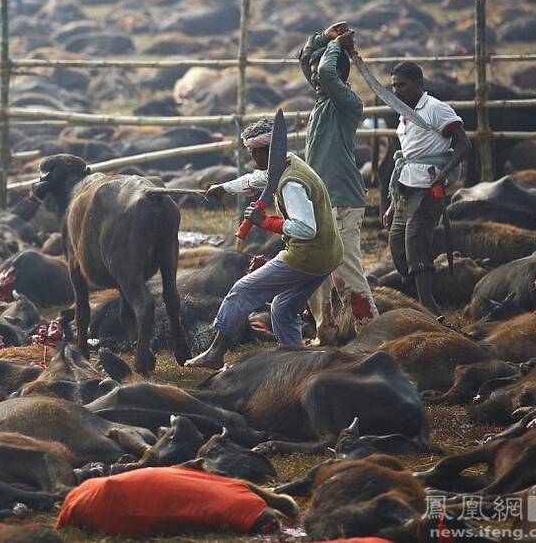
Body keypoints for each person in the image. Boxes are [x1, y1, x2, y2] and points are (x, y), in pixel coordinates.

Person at [187, 116, 344, 369]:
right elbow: (255, 179)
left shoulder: (291, 182)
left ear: (264, 152)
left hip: (307, 255)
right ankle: (296, 362)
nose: (252, 159)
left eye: (253, 153)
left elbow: (306, 229)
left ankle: (215, 352)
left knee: (242, 290)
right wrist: (223, 187)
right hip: (328, 255)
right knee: (282, 307)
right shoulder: (289, 163)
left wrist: (265, 222)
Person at [298, 22, 378, 342]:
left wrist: (334, 48)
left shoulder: (347, 103)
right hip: (322, 199)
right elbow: (306, 60)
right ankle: (326, 331)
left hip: (343, 198)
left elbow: (328, 73)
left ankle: (371, 333)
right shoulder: (323, 101)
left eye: (321, 70)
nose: (315, 75)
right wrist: (325, 38)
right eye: (314, 71)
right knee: (317, 267)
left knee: (346, 269)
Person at [383, 62, 471, 316]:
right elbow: (405, 159)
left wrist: (443, 173)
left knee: (416, 243)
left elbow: (464, 144)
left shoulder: (435, 109)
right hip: (405, 188)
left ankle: (428, 306)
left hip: (427, 186)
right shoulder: (403, 114)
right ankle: (423, 296)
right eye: (393, 86)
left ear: (418, 84)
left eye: (402, 85)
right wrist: (391, 204)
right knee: (397, 245)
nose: (396, 90)